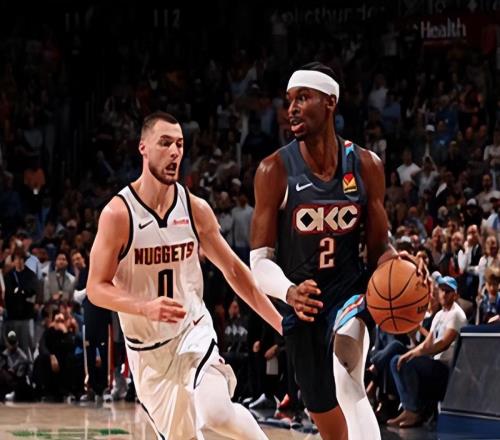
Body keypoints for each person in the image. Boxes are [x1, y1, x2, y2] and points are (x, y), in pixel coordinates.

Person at [87, 111, 282, 440]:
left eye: (179, 144)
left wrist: (282, 324)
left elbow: (235, 270)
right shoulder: (118, 214)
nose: (175, 151)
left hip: (192, 332)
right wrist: (144, 307)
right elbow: (95, 287)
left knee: (216, 412)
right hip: (147, 352)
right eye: (165, 143)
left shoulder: (195, 209)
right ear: (143, 147)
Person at [250, 63, 417, 440]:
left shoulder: (366, 165)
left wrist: (397, 263)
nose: (292, 109)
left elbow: (378, 248)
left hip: (349, 292)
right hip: (302, 304)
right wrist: (289, 292)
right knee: (328, 422)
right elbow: (259, 261)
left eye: (303, 98)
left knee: (347, 376)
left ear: (330, 102)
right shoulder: (274, 170)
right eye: (289, 100)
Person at [388, 276, 467, 428]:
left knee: (410, 363)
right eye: (442, 290)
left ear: (455, 295)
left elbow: (443, 344)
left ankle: (414, 411)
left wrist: (415, 355)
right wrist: (409, 354)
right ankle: (408, 407)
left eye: (448, 291)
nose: (443, 294)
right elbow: (428, 343)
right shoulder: (439, 315)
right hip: (435, 364)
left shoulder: (457, 314)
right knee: (396, 361)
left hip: (448, 369)